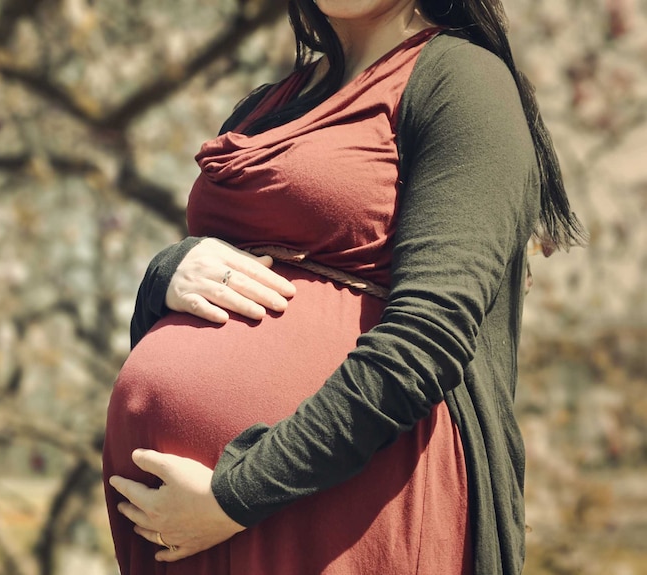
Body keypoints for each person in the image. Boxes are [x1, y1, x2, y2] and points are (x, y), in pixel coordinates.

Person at [102, 0, 586, 574]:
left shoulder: (463, 81)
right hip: (192, 522)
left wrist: (238, 495)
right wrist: (167, 273)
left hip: (334, 505)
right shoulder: (266, 106)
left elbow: (428, 339)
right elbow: (221, 272)